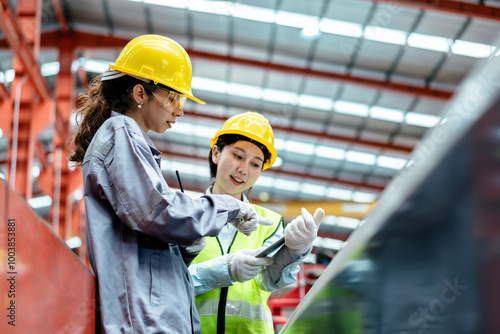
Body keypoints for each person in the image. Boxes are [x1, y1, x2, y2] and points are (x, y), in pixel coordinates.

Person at [68, 35, 274, 333]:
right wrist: (229, 207)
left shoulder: (130, 141)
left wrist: (182, 249)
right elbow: (158, 212)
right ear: (140, 93)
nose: (179, 110)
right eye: (173, 98)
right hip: (144, 321)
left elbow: (145, 226)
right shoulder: (120, 133)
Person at [189, 112, 325, 333]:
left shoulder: (269, 222)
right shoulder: (184, 214)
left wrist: (297, 249)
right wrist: (224, 270)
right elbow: (167, 281)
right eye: (238, 156)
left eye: (255, 163)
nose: (244, 169)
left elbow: (270, 279)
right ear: (216, 153)